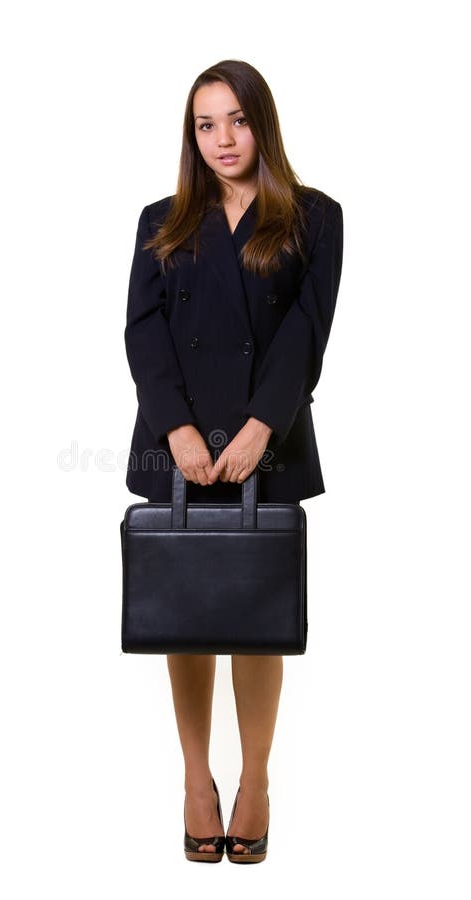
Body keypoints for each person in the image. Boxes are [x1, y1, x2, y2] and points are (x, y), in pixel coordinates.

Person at [123, 59, 344, 864]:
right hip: (174, 442)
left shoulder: (315, 216)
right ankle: (193, 778)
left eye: (237, 120)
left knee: (255, 622)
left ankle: (254, 780)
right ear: (193, 134)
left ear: (262, 123)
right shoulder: (161, 219)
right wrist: (177, 429)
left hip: (270, 440)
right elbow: (143, 333)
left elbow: (307, 333)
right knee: (184, 614)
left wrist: (261, 426)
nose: (223, 138)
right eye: (206, 123)